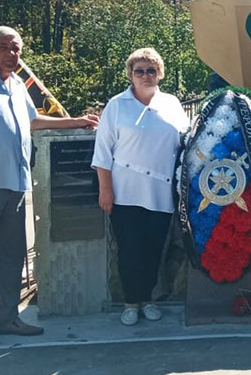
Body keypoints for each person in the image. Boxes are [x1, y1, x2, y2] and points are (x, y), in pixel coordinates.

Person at [0, 26, 99, 349]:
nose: (12, 55)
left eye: (16, 49)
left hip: (13, 185)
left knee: (10, 257)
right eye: (4, 48)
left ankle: (8, 318)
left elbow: (32, 121)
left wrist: (77, 121)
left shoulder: (15, 84)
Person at [92, 48, 188, 326]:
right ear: (130, 75)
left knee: (153, 249)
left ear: (159, 73)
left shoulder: (171, 103)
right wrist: (105, 189)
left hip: (160, 191)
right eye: (139, 71)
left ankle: (147, 299)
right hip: (125, 192)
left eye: (151, 70)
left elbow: (185, 142)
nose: (145, 76)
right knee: (130, 250)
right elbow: (102, 152)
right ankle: (130, 302)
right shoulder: (116, 105)